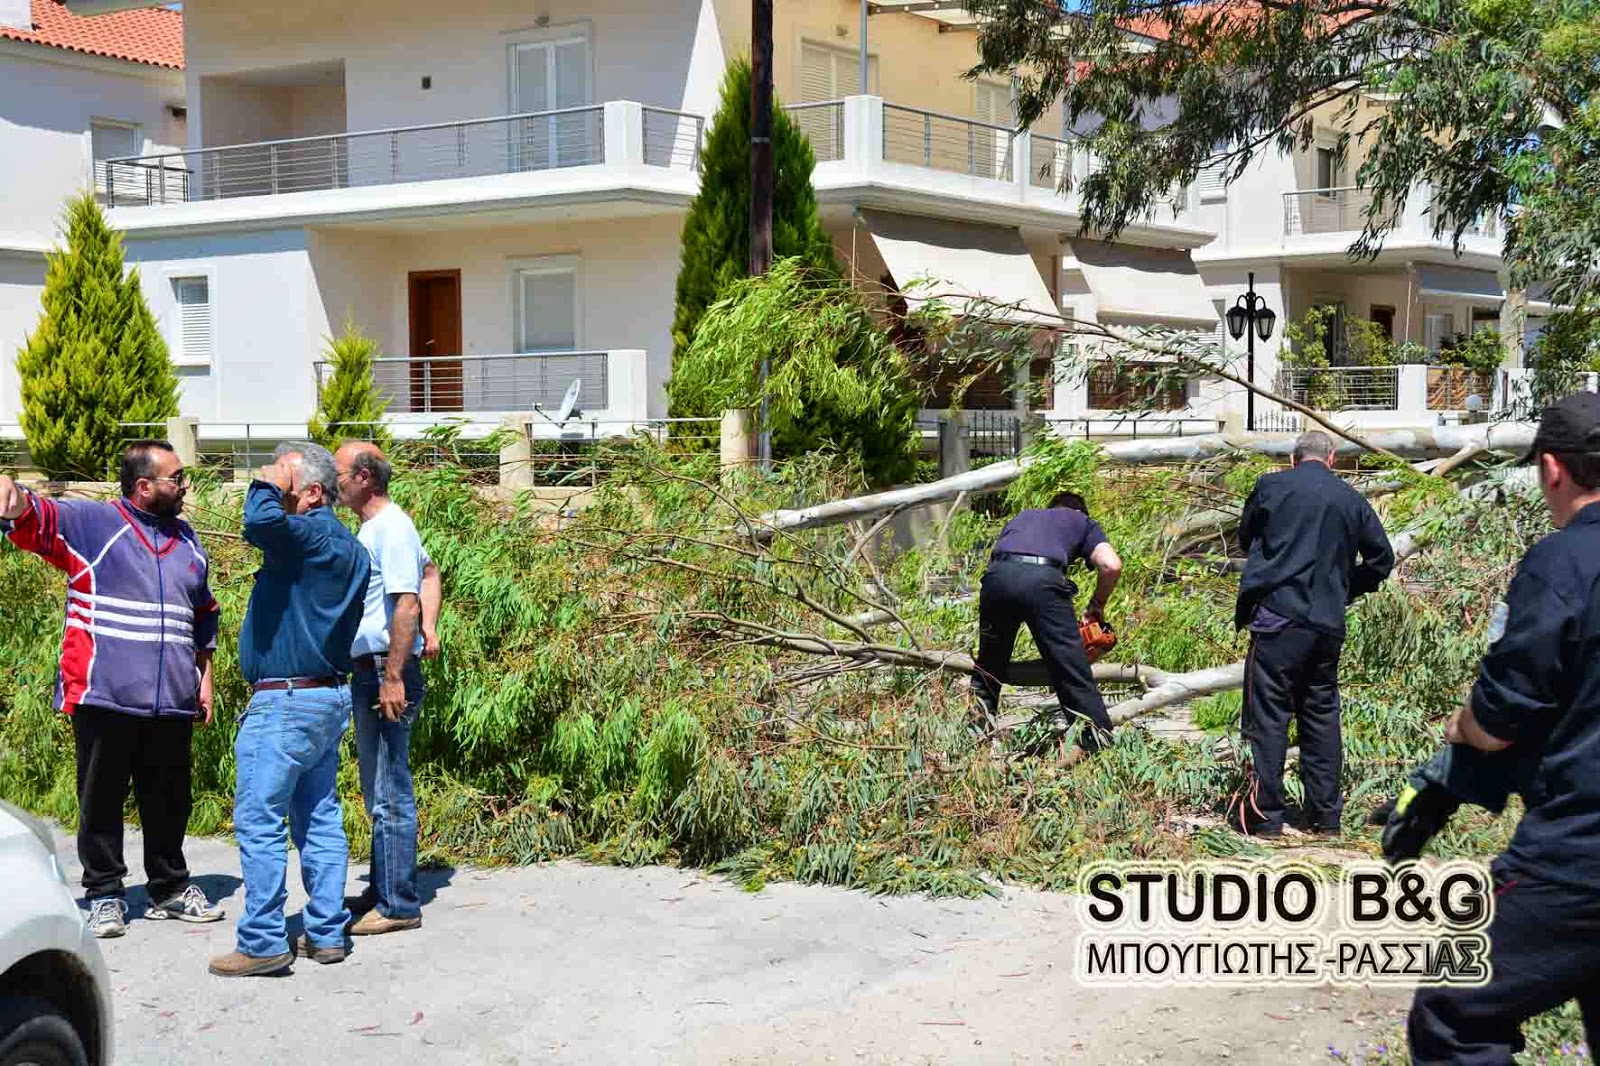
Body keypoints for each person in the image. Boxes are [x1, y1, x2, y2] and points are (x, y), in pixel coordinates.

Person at [1408, 392, 1600, 1062]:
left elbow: (1499, 717)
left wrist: (1457, 740)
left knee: (1453, 1014)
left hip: (1578, 856)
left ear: (1552, 469)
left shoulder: (1563, 563)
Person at [0, 443, 224, 938]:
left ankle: (168, 888)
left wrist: (203, 678)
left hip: (172, 698)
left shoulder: (187, 542)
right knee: (100, 798)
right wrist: (11, 498)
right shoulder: (94, 524)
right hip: (103, 693)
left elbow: (204, 613)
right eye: (177, 478)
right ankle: (105, 893)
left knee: (169, 799)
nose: (185, 485)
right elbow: (32, 516)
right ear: (144, 487)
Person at [209, 443, 370, 978]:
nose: (278, 489)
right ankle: (325, 933)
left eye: (288, 483)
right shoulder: (351, 548)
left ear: (313, 493)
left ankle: (261, 941)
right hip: (327, 700)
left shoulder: (307, 535)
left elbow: (258, 523)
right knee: (320, 817)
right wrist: (282, 482)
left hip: (284, 702)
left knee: (260, 820)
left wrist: (267, 482)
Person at [1233, 429, 1394, 837]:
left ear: (1293, 459)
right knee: (1321, 717)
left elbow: (1245, 537)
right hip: (1326, 625)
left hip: (1277, 620)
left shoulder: (1271, 486)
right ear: (1333, 458)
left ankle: (1265, 818)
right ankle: (1325, 818)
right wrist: (1344, 587)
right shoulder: (1351, 499)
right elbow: (1381, 558)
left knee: (1268, 717)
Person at [334, 441, 441, 936]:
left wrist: (395, 674)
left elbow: (405, 603)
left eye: (338, 473)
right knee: (378, 787)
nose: (333, 481)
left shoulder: (391, 528)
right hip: (374, 666)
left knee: (390, 789)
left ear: (364, 479)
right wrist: (432, 632)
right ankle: (383, 888)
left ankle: (399, 904)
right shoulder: (379, 528)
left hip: (383, 668)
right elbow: (430, 572)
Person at [971, 490, 1123, 752]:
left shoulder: (1023, 517)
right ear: (1080, 512)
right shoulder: (1082, 521)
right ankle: (1098, 742)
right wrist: (1096, 605)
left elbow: (1006, 555)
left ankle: (972, 742)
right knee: (1071, 668)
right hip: (1042, 580)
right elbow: (1111, 565)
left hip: (996, 578)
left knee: (988, 667)